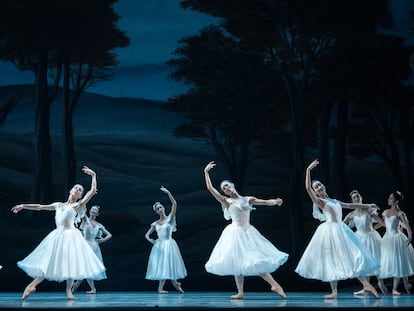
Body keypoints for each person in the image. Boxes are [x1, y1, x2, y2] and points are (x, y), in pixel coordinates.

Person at [11, 166, 106, 300]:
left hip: (71, 235)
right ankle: (32, 285)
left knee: (71, 262)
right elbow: (40, 207)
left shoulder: (78, 206)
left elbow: (91, 191)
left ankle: (69, 290)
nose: (78, 190)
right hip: (57, 235)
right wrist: (23, 205)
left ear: (79, 195)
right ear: (71, 190)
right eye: (76, 188)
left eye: (80, 190)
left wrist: (94, 175)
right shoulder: (58, 205)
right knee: (48, 260)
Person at [295, 159, 380, 299]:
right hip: (330, 231)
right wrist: (308, 171)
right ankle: (335, 291)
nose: (319, 188)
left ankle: (366, 284)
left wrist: (368, 205)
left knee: (353, 255)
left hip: (340, 230)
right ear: (316, 192)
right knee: (331, 260)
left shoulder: (334, 201)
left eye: (320, 185)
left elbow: (351, 206)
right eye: (317, 188)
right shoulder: (320, 201)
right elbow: (307, 189)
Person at [203, 161, 288, 300]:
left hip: (248, 232)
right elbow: (211, 189)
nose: (225, 188)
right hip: (235, 232)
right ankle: (240, 292)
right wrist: (206, 172)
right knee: (238, 261)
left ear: (233, 185)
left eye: (227, 185)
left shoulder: (248, 199)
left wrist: (275, 201)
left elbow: (265, 201)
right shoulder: (226, 201)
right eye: (223, 188)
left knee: (256, 259)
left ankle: (275, 285)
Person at [343, 190, 387, 295]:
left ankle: (381, 282)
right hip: (359, 239)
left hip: (371, 237)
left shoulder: (369, 210)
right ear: (352, 201)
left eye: (357, 196)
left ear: (361, 197)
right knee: (363, 262)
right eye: (354, 198)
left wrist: (395, 227)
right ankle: (367, 287)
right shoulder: (351, 214)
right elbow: (342, 226)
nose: (356, 199)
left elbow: (381, 223)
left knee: (376, 258)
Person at [145, 186, 187, 294]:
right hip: (160, 246)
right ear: (156, 212)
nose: (160, 208)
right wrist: (152, 241)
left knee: (169, 264)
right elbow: (147, 235)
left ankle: (174, 284)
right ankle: (169, 286)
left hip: (169, 244)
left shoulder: (170, 219)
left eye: (161, 206)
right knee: (162, 265)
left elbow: (175, 204)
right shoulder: (155, 223)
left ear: (163, 208)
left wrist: (168, 192)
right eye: (158, 208)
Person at [379, 191, 414, 296]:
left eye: (391, 198)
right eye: (389, 198)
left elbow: (407, 226)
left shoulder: (400, 213)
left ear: (396, 201)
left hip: (397, 238)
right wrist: (370, 228)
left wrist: (410, 236)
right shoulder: (385, 212)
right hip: (387, 238)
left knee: (398, 262)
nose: (388, 200)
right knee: (389, 261)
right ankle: (406, 284)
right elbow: (382, 224)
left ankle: (395, 289)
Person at [72, 205, 112, 294]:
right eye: (92, 209)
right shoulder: (85, 220)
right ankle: (84, 286)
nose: (93, 210)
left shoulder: (99, 225)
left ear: (97, 213)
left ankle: (79, 284)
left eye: (95, 210)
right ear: (90, 211)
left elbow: (109, 235)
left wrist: (102, 240)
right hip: (85, 245)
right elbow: (82, 210)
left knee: (88, 267)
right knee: (85, 266)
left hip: (93, 246)